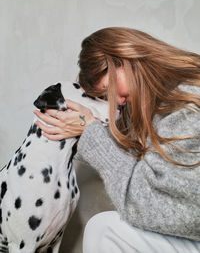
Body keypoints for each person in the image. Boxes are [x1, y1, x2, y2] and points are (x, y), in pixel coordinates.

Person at [34, 27, 200, 253]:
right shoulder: (165, 103)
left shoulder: (188, 107)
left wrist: (90, 133)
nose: (117, 100)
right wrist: (78, 130)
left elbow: (148, 206)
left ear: (125, 60)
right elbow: (135, 160)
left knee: (104, 229)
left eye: (110, 87)